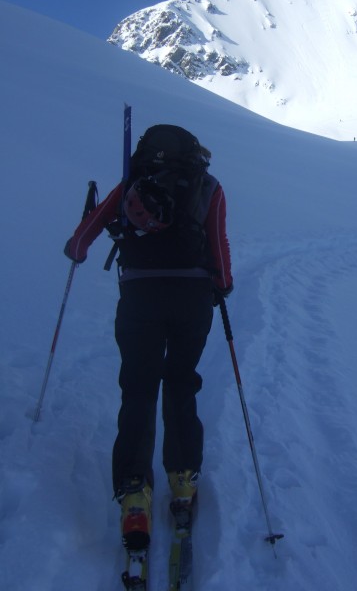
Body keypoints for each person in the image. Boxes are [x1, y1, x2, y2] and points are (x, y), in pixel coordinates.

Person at [64, 126, 233, 551]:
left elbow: (89, 230)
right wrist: (223, 284)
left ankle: (134, 489)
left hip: (139, 296)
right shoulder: (209, 186)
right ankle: (182, 481)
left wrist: (77, 248)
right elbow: (218, 242)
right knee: (180, 382)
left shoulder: (132, 181)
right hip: (191, 299)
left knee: (138, 388)